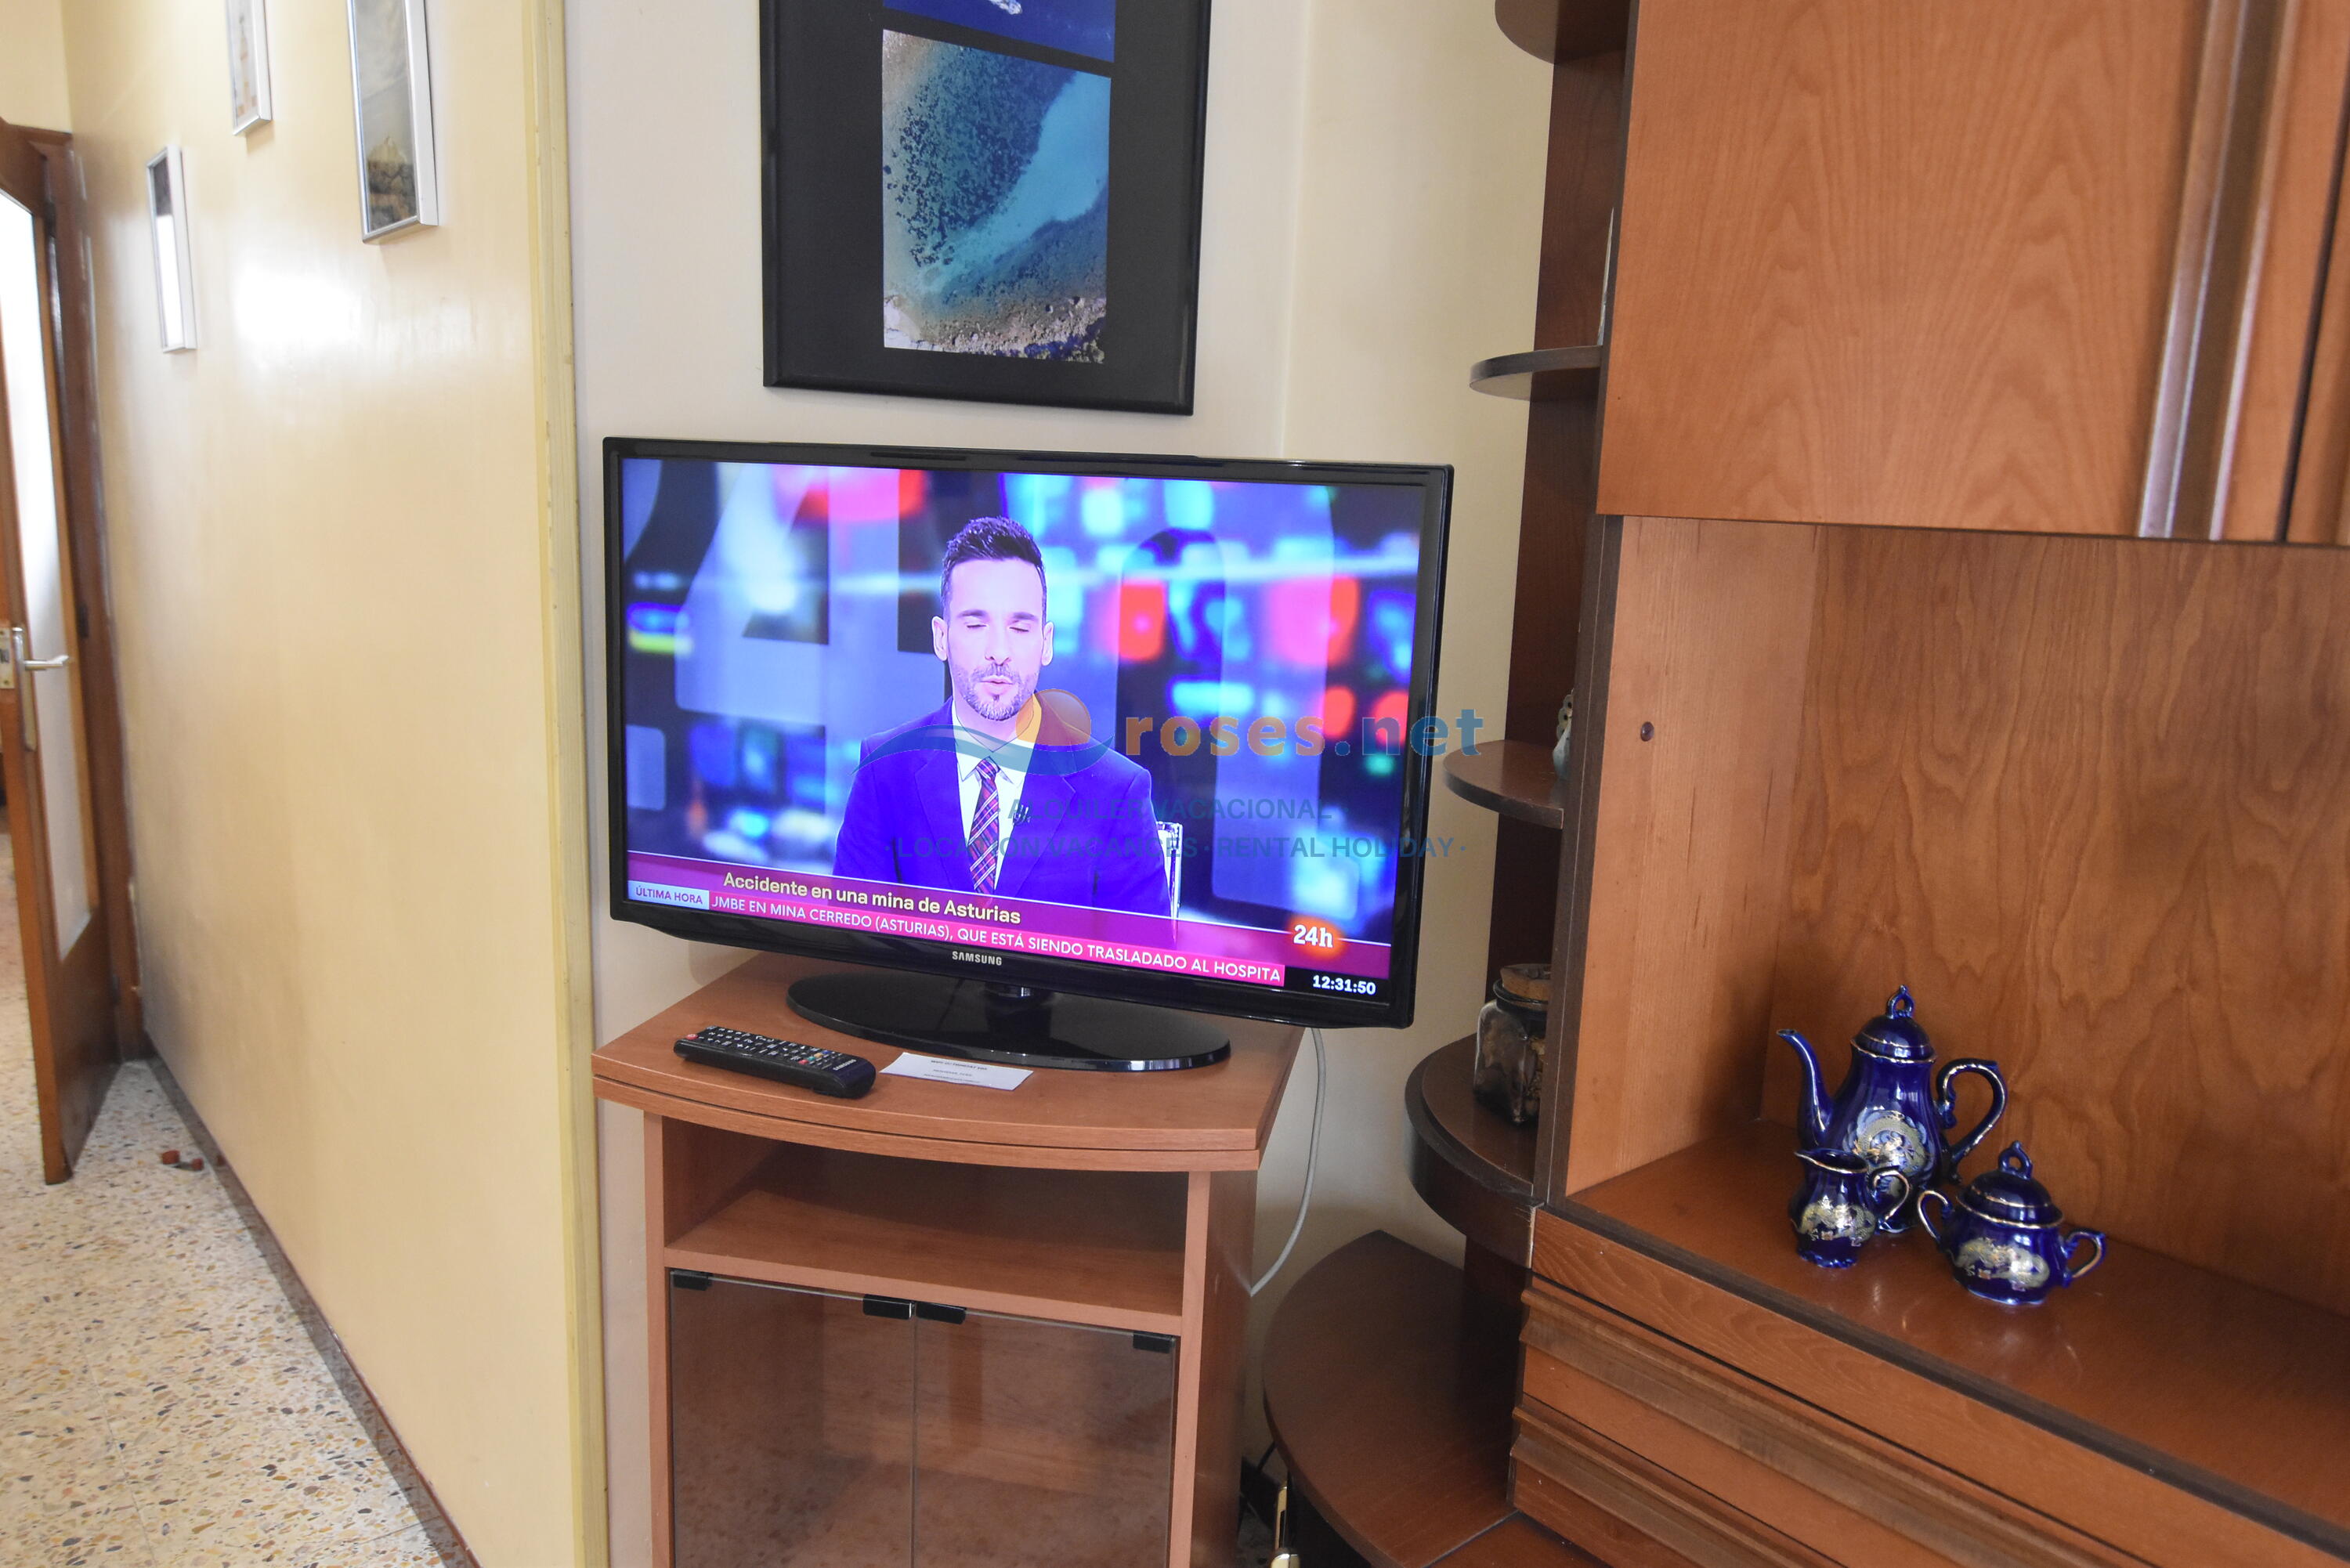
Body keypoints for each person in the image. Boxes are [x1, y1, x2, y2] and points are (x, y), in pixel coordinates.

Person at [833, 516, 1172, 916]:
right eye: (976, 624)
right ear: (941, 638)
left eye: (1020, 628)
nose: (999, 651)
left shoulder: (1117, 792)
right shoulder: (885, 771)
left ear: (1046, 643)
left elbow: (1139, 957)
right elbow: (851, 940)